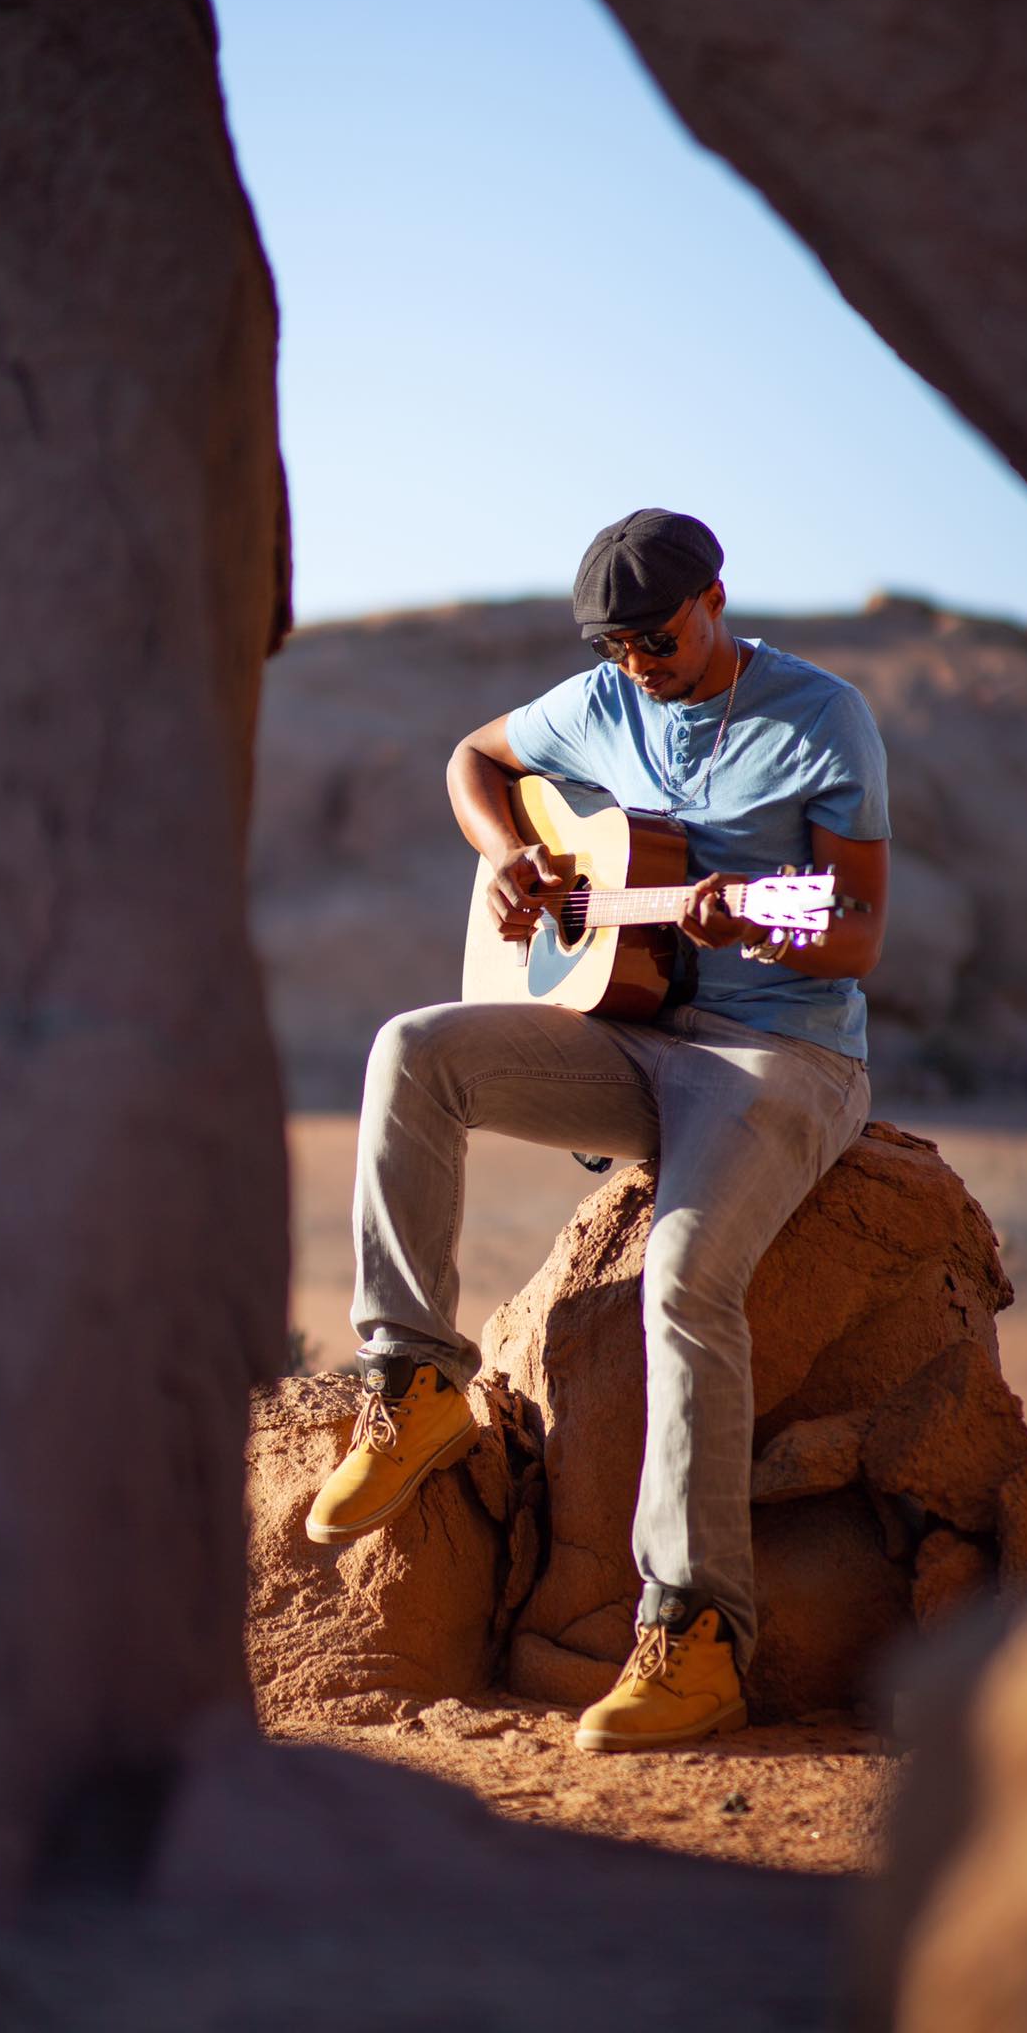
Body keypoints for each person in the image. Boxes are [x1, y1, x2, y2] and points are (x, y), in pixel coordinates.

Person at [305, 509, 890, 1751]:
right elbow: (473, 758)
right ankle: (415, 1382)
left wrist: (756, 919)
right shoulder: (603, 700)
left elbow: (854, 932)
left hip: (780, 1053)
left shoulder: (819, 716)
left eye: (654, 638)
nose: (635, 663)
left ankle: (694, 1632)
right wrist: (512, 852)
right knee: (413, 1049)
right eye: (612, 645)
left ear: (713, 600)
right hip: (631, 1033)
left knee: (683, 1275)